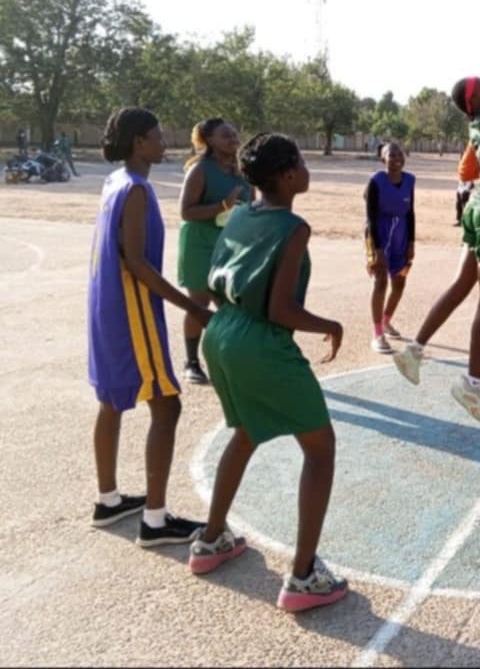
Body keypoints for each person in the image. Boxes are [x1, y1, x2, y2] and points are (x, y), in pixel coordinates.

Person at [191, 132, 348, 612]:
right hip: (260, 339)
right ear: (285, 176)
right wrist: (331, 325)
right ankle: (302, 577)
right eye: (300, 160)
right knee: (320, 450)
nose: (305, 167)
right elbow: (281, 309)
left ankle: (211, 539)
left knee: (245, 431)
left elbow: (215, 283)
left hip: (220, 333)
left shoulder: (238, 213)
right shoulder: (293, 227)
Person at [392, 0, 480, 425]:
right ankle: (471, 386)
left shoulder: (478, 125)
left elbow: (467, 166)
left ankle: (414, 350)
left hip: (477, 207)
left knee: (461, 286)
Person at [88, 107, 209, 545]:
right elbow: (136, 262)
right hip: (132, 309)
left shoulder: (113, 182)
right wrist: (191, 307)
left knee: (112, 400)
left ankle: (108, 499)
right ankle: (155, 522)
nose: (164, 142)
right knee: (167, 405)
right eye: (158, 136)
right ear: (139, 142)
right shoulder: (136, 190)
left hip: (106, 307)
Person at [177, 118, 250, 385]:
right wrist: (222, 204)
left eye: (234, 134)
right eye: (225, 135)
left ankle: (230, 359)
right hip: (200, 242)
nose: (233, 139)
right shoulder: (200, 170)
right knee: (200, 302)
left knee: (231, 304)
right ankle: (191, 362)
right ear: (209, 140)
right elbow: (186, 211)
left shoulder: (241, 171)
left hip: (230, 244)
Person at [365, 140, 415, 353]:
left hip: (401, 234)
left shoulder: (410, 180)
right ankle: (377, 334)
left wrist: (411, 242)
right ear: (382, 159)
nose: (397, 159)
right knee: (380, 282)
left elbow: (411, 212)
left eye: (399, 154)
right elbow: (370, 217)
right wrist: (377, 249)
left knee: (400, 282)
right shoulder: (376, 181)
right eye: (391, 155)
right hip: (379, 233)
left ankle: (386, 320)